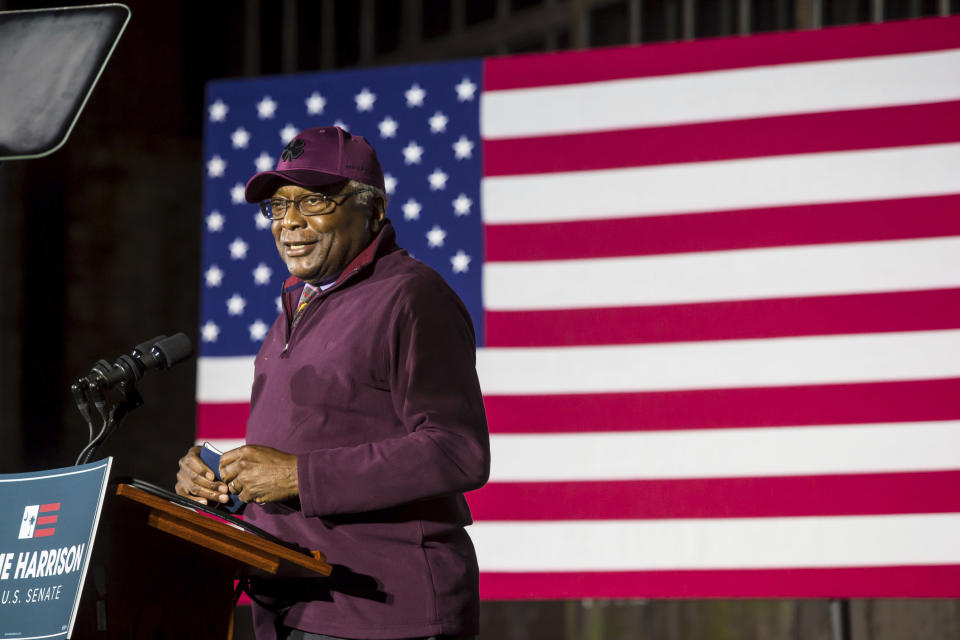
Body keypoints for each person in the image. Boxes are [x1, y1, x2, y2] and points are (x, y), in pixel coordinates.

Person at [175, 126, 490, 640]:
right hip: (292, 603)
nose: (290, 222)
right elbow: (300, 450)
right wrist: (222, 483)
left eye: (314, 202)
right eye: (277, 207)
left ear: (373, 210)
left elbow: (457, 451)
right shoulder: (295, 306)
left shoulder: (411, 297)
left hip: (383, 612)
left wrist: (299, 476)